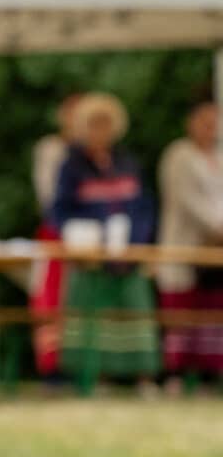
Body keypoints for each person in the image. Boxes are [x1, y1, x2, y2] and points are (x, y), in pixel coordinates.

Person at [50, 93, 158, 386]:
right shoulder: (72, 165)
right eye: (94, 124)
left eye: (105, 123)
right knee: (91, 314)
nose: (100, 130)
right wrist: (80, 237)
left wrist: (138, 240)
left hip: (128, 252)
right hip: (90, 256)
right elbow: (57, 211)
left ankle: (143, 376)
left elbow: (144, 206)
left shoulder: (127, 161)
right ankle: (95, 375)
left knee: (134, 310)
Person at [157, 93, 223, 386]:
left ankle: (209, 373)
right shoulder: (179, 155)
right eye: (204, 122)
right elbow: (187, 200)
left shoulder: (219, 156)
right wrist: (218, 225)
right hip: (185, 243)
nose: (210, 128)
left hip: (215, 250)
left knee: (210, 310)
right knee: (182, 309)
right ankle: (176, 374)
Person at [29, 92, 86, 377]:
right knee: (51, 301)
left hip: (88, 238)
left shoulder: (96, 155)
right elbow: (49, 197)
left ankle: (82, 362)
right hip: (57, 233)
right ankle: (52, 367)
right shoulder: (51, 149)